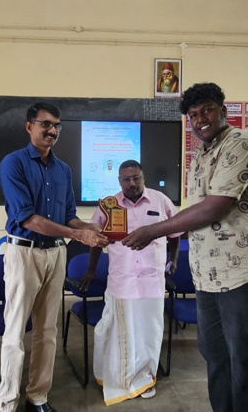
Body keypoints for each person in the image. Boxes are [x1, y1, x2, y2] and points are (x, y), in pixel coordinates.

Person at [122, 82, 248, 412]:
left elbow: (214, 207)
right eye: (193, 114)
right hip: (207, 276)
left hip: (242, 272)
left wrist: (153, 231)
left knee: (246, 363)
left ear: (223, 110)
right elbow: (195, 213)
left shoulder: (242, 143)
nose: (200, 119)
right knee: (216, 358)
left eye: (207, 110)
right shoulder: (200, 156)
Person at [0, 102, 109, 412]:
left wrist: (89, 228)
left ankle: (37, 397)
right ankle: (8, 403)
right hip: (24, 253)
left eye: (57, 125)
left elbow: (69, 216)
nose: (52, 130)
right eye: (45, 124)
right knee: (15, 332)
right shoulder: (13, 163)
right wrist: (78, 235)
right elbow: (28, 219)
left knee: (47, 331)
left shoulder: (63, 169)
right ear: (29, 126)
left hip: (56, 254)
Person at [78, 159, 180, 405]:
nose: (132, 183)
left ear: (143, 178)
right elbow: (95, 238)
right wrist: (91, 270)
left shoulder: (161, 200)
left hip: (152, 281)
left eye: (136, 178)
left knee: (149, 332)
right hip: (121, 281)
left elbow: (175, 233)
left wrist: (173, 259)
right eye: (126, 179)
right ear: (119, 181)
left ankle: (145, 378)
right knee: (113, 331)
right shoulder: (108, 206)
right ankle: (113, 375)